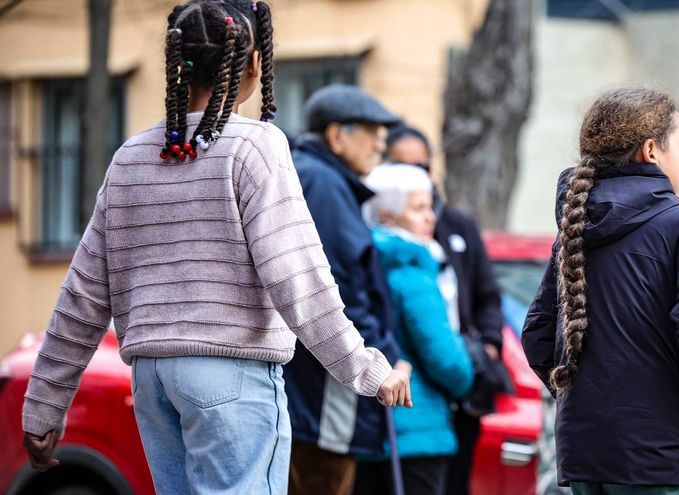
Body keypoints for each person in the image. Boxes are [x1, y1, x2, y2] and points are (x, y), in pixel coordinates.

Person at [20, 2, 410, 493]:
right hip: (232, 372)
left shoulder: (130, 158)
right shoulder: (254, 146)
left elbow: (84, 294)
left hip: (151, 380)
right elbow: (297, 278)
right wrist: (367, 369)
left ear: (176, 63)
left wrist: (44, 404)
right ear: (251, 66)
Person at [521, 86, 679, 494]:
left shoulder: (574, 233)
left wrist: (587, 393)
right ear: (651, 151)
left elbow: (538, 332)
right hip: (657, 452)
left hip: (584, 451)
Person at [284, 84, 407, 495]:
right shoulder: (323, 183)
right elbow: (340, 291)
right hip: (325, 385)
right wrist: (382, 358)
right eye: (371, 131)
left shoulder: (315, 176)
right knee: (323, 479)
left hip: (311, 379)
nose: (382, 142)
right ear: (337, 136)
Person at [385, 125, 504, 495]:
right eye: (404, 167)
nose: (415, 175)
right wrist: (458, 371)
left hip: (459, 385)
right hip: (423, 385)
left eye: (422, 166)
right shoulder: (396, 253)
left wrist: (488, 347)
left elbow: (487, 295)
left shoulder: (456, 225)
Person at [354, 164, 474, 495]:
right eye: (417, 208)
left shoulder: (360, 263)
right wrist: (468, 375)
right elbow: (447, 362)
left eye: (429, 207)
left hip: (366, 429)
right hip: (417, 429)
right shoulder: (412, 271)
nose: (430, 217)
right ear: (387, 216)